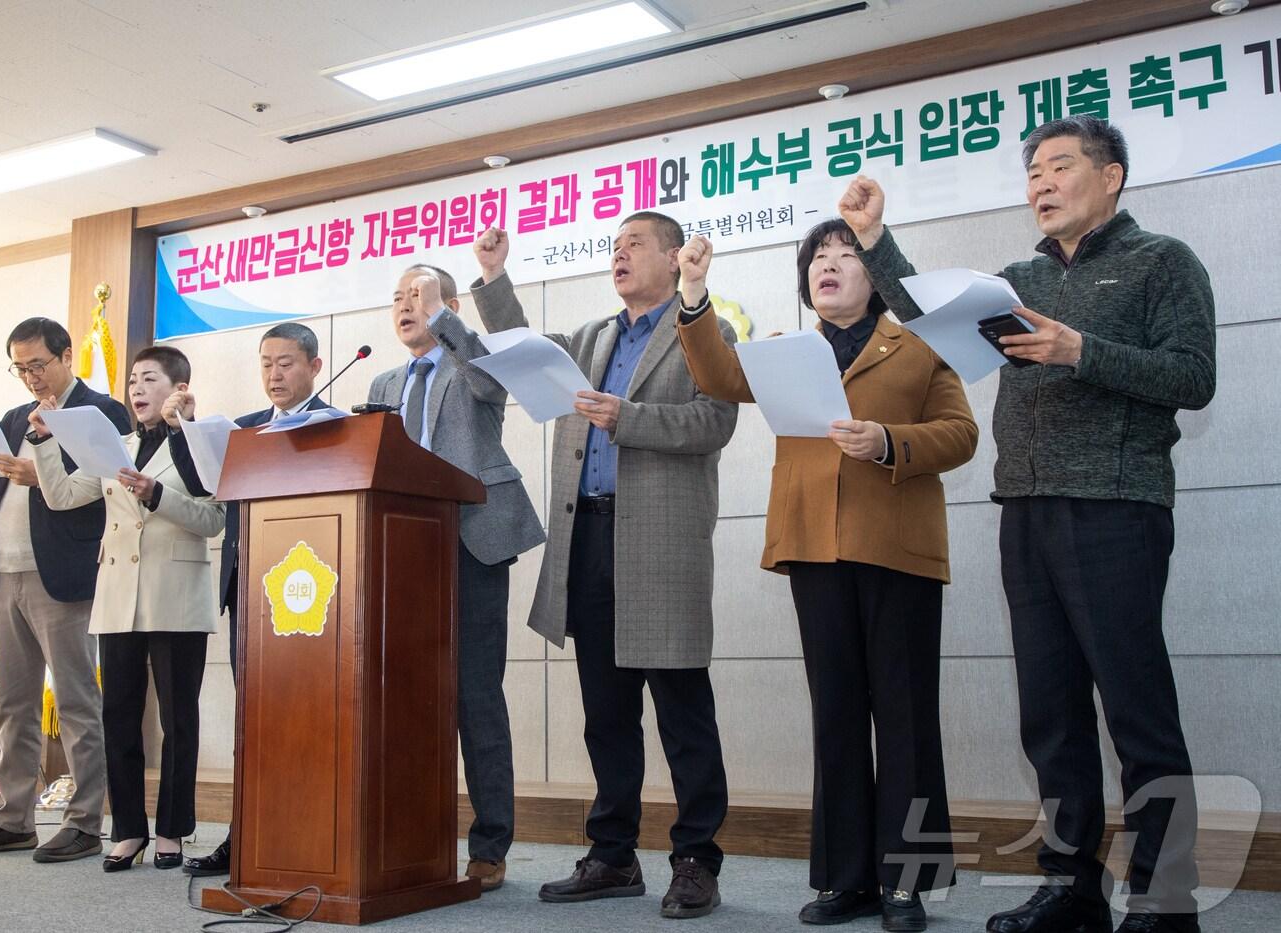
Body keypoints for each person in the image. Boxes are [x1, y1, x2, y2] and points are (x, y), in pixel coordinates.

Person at [839, 114, 1215, 933]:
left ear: (1110, 177)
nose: (1041, 183)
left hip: (1116, 507)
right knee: (1050, 714)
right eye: (1033, 172)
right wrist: (873, 240)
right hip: (1026, 511)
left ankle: (1165, 899)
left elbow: (1193, 377)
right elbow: (924, 313)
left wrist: (1082, 350)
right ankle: (1072, 887)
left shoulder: (1162, 261)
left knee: (1137, 712)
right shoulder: (1018, 280)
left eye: (1059, 167)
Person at [675, 219, 977, 932]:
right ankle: (847, 879)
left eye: (846, 255)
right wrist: (693, 290)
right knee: (835, 715)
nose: (828, 265)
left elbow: (961, 433)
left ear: (877, 278)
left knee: (905, 718)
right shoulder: (788, 349)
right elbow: (718, 375)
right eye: (818, 257)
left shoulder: (919, 344)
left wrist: (888, 441)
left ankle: (907, 884)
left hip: (898, 550)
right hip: (814, 547)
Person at [470, 213, 738, 919]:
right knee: (606, 713)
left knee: (683, 711)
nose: (619, 256)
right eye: (614, 248)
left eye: (635, 245)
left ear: (675, 257)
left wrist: (628, 417)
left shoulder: (702, 330)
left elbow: (716, 421)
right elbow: (523, 351)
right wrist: (494, 276)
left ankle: (696, 859)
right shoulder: (591, 337)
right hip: (586, 537)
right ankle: (613, 854)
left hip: (662, 543)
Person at [366, 264, 546, 891]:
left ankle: (491, 842)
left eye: (418, 296)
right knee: (404, 695)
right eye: (398, 297)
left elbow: (495, 378)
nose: (405, 305)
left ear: (447, 305)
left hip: (472, 543)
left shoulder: (472, 364)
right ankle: (412, 835)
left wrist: (447, 320)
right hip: (401, 551)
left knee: (476, 694)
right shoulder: (383, 382)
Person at [0, 317, 128, 863]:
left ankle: (84, 822)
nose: (30, 377)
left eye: (38, 364)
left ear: (66, 356)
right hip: (5, 571)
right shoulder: (14, 416)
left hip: (63, 573)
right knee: (14, 705)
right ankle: (14, 819)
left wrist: (38, 473)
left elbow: (106, 486)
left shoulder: (101, 411)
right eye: (20, 368)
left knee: (76, 701)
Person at [31, 345, 225, 872]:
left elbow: (214, 521)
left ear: (179, 388)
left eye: (150, 379)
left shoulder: (199, 443)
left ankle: (172, 831)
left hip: (176, 594)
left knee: (178, 721)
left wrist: (157, 494)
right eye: (133, 380)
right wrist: (43, 442)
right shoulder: (113, 446)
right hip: (118, 595)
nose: (137, 388)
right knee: (118, 716)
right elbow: (61, 497)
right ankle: (129, 830)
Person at [165, 321, 327, 877]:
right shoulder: (244, 430)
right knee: (252, 721)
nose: (274, 375)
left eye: (286, 363)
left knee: (309, 719)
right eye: (266, 364)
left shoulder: (336, 427)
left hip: (311, 596)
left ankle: (310, 837)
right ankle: (245, 839)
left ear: (314, 367)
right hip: (249, 592)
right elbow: (203, 484)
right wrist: (184, 430)